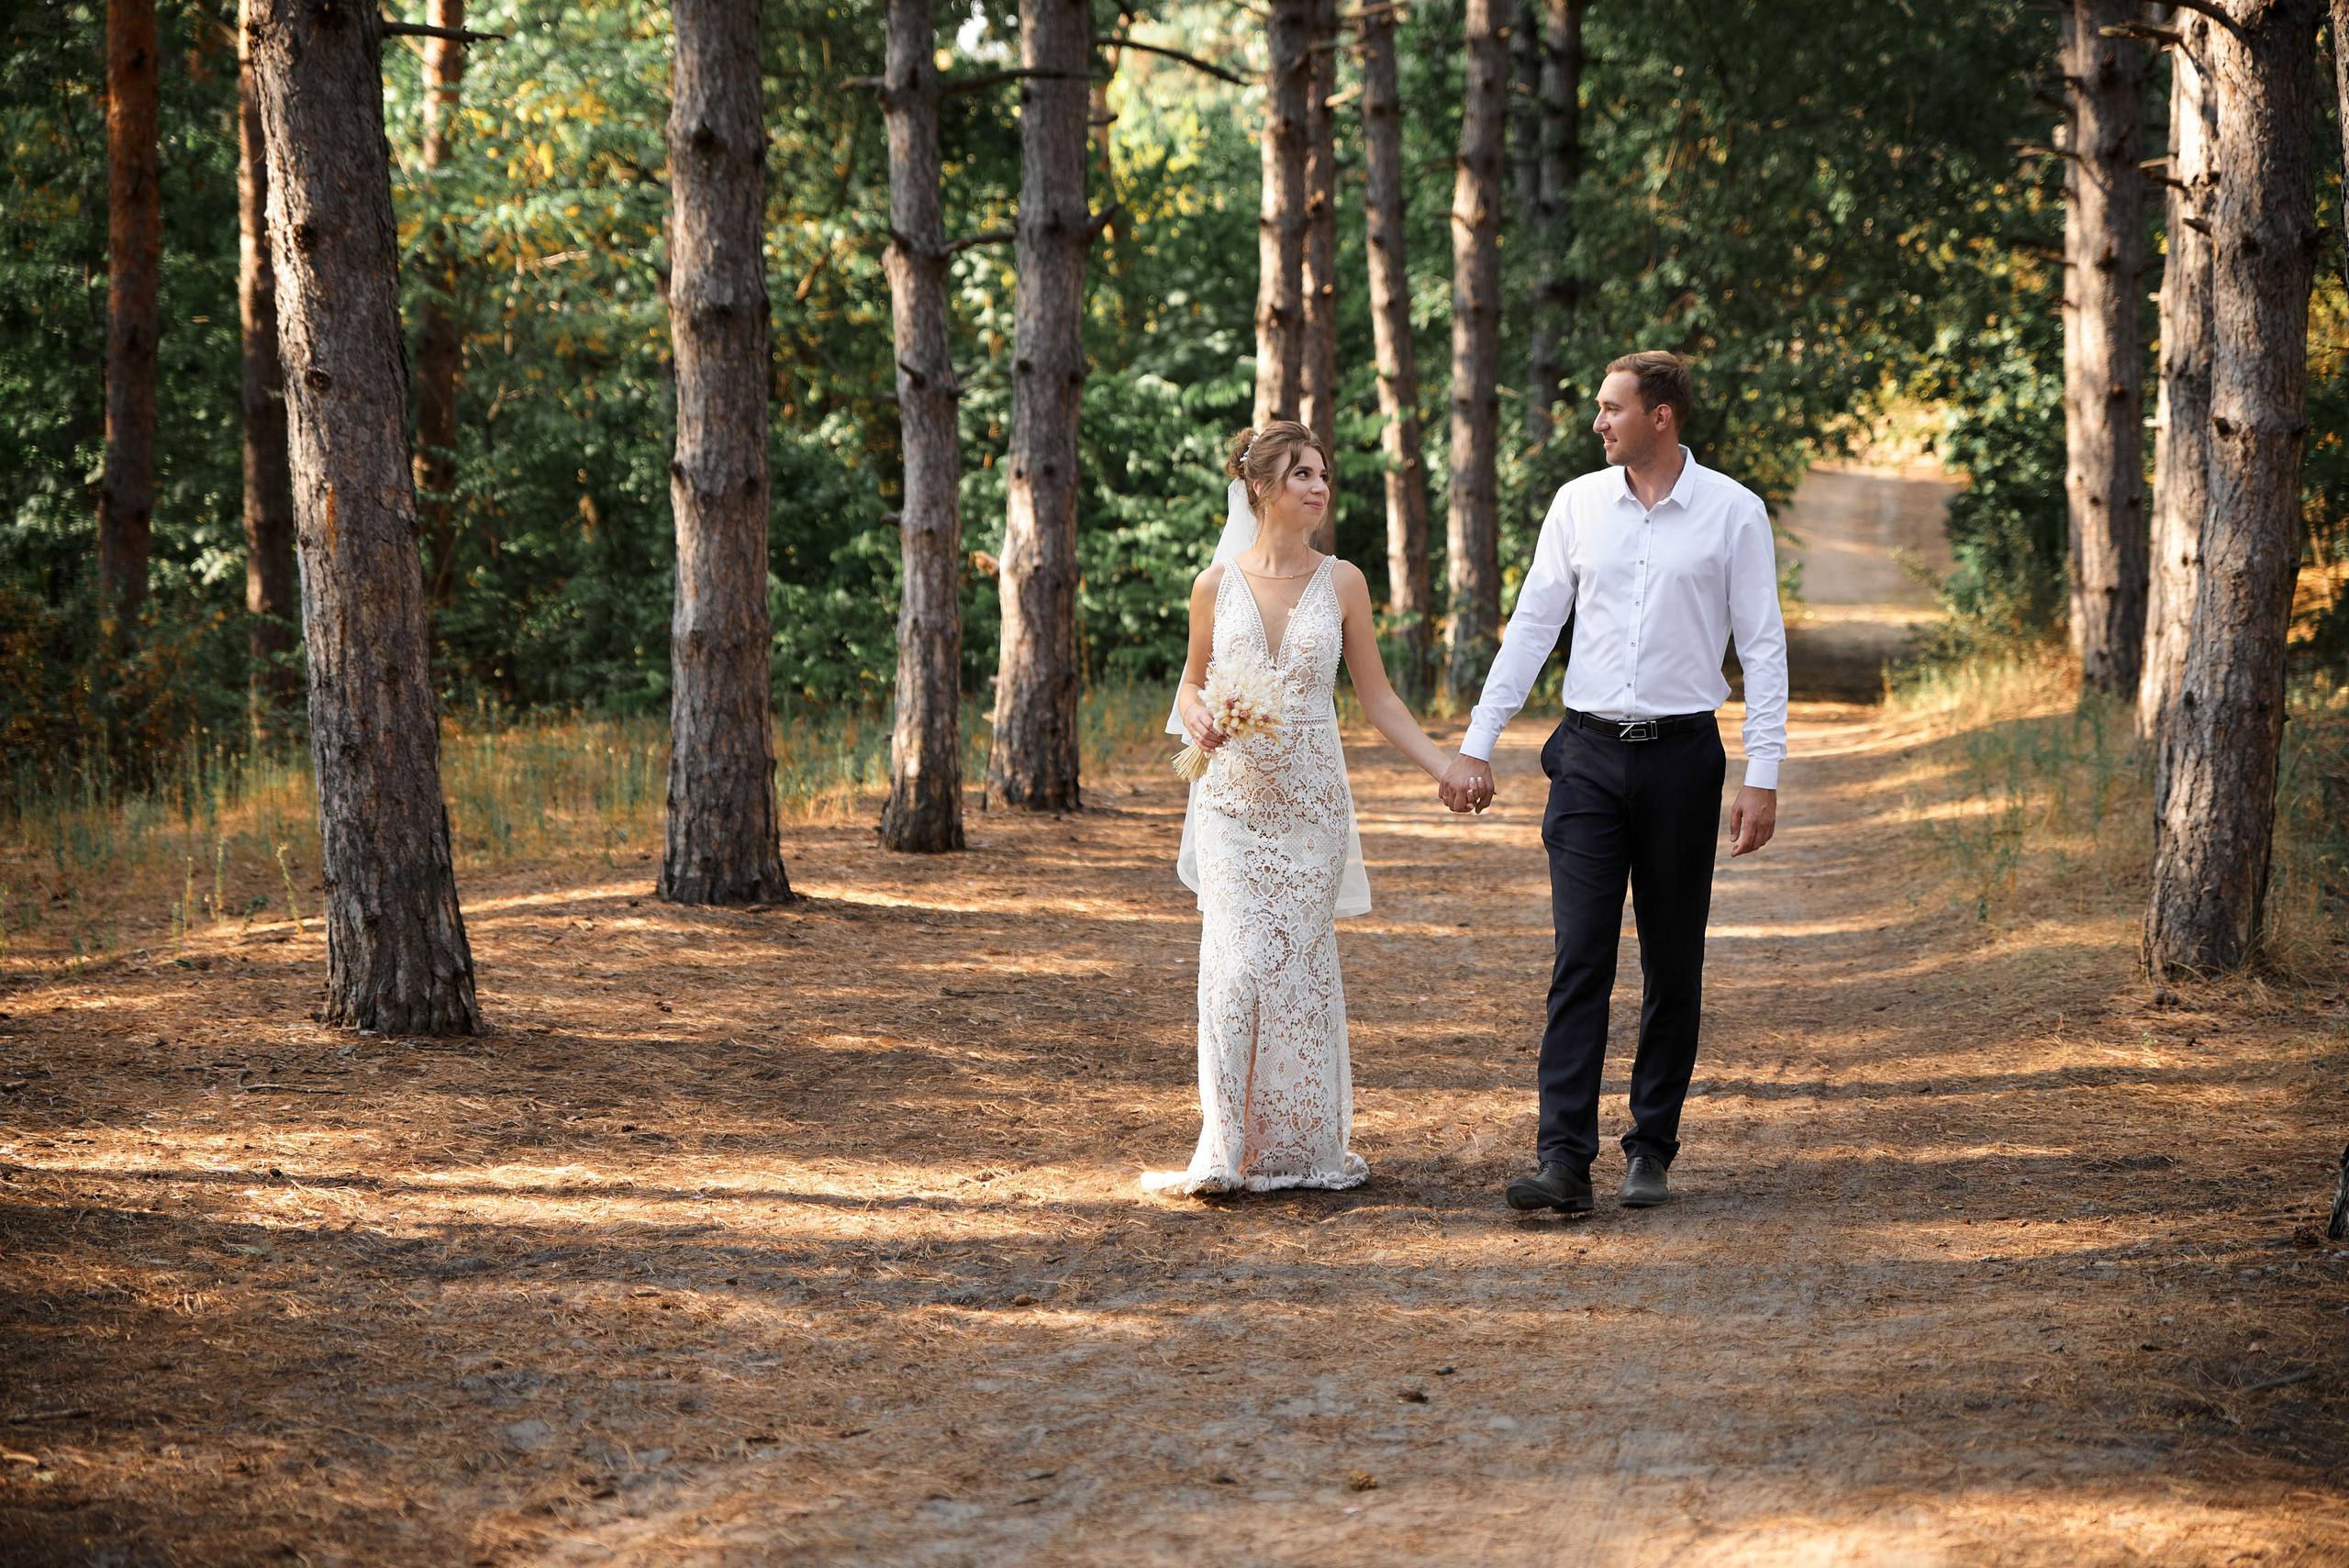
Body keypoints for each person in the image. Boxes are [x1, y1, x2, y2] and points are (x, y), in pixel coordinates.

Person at [1437, 351, 1788, 1216]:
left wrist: (1762, 774)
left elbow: (1764, 648)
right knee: (1581, 954)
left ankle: (1652, 1147)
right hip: (1587, 756)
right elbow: (1531, 627)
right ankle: (1563, 1158)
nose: (1598, 422)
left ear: (1660, 417)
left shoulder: (1735, 514)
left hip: (1682, 757)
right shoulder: (1577, 505)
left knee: (1673, 958)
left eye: (1611, 408)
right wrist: (1476, 743)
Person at [1143, 422, 1455, 1195]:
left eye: (1322, 474)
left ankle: (1299, 1146)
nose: (1318, 487)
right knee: (1234, 966)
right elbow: (1188, 682)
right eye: (1300, 474)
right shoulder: (1214, 584)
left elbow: (1377, 697)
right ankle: (1222, 1146)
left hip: (1314, 809)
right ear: (1259, 486)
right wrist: (1200, 714)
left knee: (1296, 970)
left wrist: (1444, 766)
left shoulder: (1343, 581)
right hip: (1231, 806)